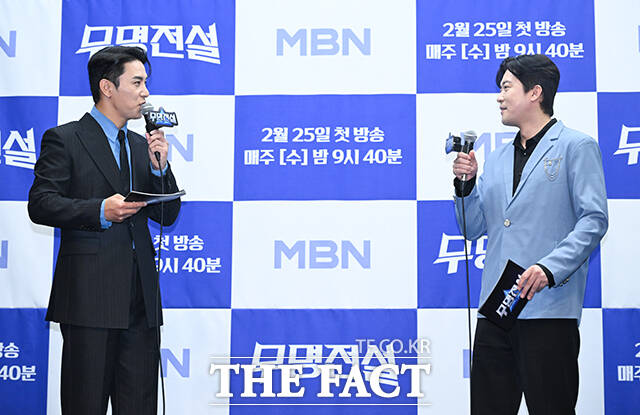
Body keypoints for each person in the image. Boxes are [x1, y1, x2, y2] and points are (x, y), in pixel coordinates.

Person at [28, 46, 181, 414]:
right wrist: (99, 210)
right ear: (107, 88)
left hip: (140, 299)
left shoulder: (142, 145)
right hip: (89, 299)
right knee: (85, 404)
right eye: (137, 83)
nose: (145, 93)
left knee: (139, 405)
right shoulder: (65, 138)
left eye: (146, 83)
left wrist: (160, 169)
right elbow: (41, 203)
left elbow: (168, 214)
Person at [452, 54, 608, 414]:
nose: (499, 97)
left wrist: (549, 268)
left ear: (535, 92)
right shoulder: (497, 158)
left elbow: (594, 219)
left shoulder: (576, 146)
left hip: (548, 310)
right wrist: (467, 185)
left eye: (506, 87)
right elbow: (472, 227)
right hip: (496, 310)